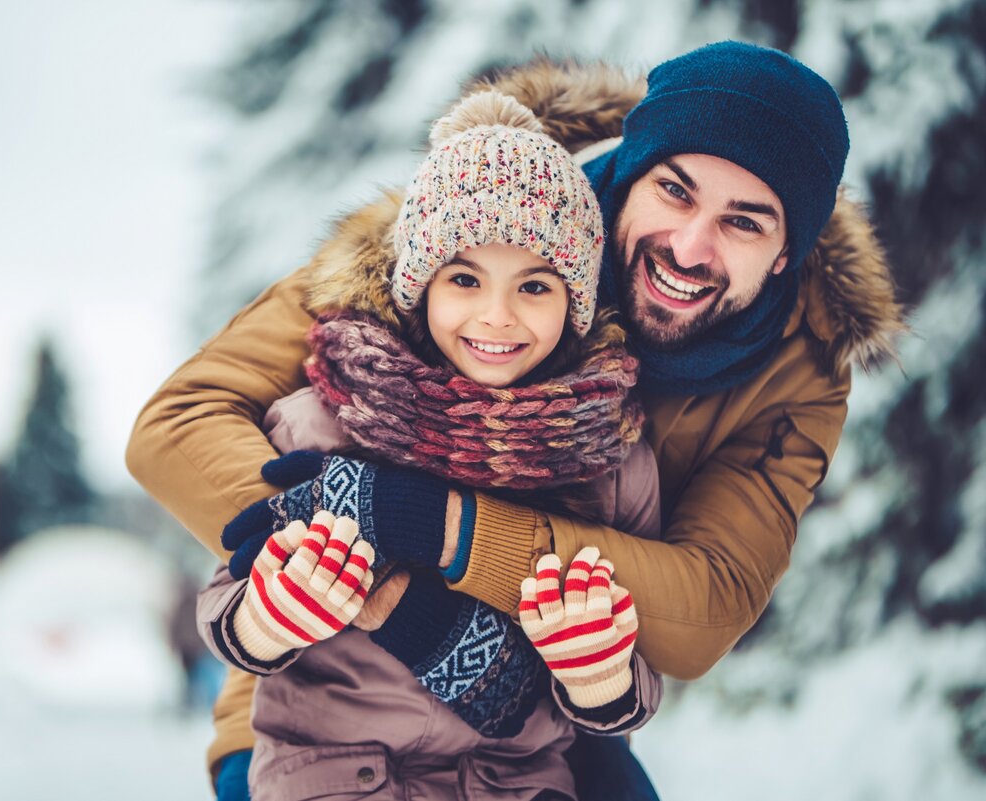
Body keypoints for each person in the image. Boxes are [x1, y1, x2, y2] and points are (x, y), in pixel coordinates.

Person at [127, 40, 904, 799]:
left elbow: (703, 605)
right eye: (675, 190)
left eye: (745, 222)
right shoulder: (475, 216)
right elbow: (178, 426)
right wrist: (379, 580)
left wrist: (446, 528)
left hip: (542, 715)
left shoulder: (796, 375)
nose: (691, 245)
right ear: (632, 172)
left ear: (783, 255)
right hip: (326, 703)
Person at [196, 91, 664, 800]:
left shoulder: (612, 463)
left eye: (535, 285)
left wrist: (598, 675)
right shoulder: (321, 423)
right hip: (332, 776)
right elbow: (230, 593)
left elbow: (634, 677)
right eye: (465, 278)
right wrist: (268, 617)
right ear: (419, 286)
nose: (497, 316)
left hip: (516, 782)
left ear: (574, 301)